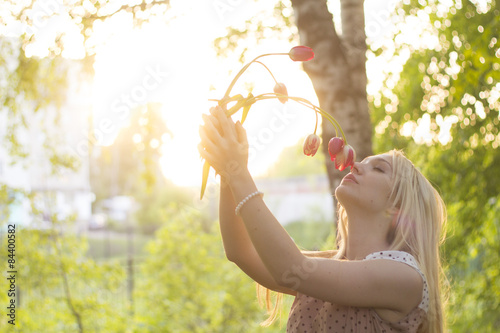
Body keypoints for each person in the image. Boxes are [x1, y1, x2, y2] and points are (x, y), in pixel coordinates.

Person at [198, 106, 447, 333]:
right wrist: (226, 171)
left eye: (379, 168)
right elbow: (241, 251)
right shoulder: (332, 264)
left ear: (397, 207)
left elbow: (289, 268)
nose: (356, 166)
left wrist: (237, 169)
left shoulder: (404, 277)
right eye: (364, 162)